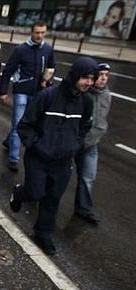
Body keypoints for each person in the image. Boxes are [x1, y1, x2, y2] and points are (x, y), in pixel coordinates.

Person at [9, 57, 98, 255]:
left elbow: (84, 128)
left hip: (63, 161)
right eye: (85, 78)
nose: (89, 83)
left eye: (92, 79)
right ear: (75, 75)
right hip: (38, 157)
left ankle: (43, 233)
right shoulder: (48, 96)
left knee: (53, 198)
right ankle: (19, 193)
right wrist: (37, 145)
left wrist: (74, 146)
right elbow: (25, 125)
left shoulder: (86, 102)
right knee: (35, 192)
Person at [0, 21, 56, 172]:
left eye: (43, 32)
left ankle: (8, 141)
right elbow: (8, 70)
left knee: (30, 123)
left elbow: (51, 68)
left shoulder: (48, 50)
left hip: (38, 93)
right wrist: (3, 91)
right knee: (18, 124)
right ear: (31, 32)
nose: (40, 35)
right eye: (37, 32)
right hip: (22, 91)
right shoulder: (21, 50)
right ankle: (14, 158)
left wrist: (47, 82)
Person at [74, 63, 111, 225]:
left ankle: (83, 208)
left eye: (106, 75)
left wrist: (99, 132)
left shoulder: (107, 95)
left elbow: (102, 119)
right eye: (100, 74)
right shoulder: (82, 93)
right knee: (56, 176)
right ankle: (39, 197)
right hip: (74, 141)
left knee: (88, 177)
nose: (103, 78)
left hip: (91, 144)